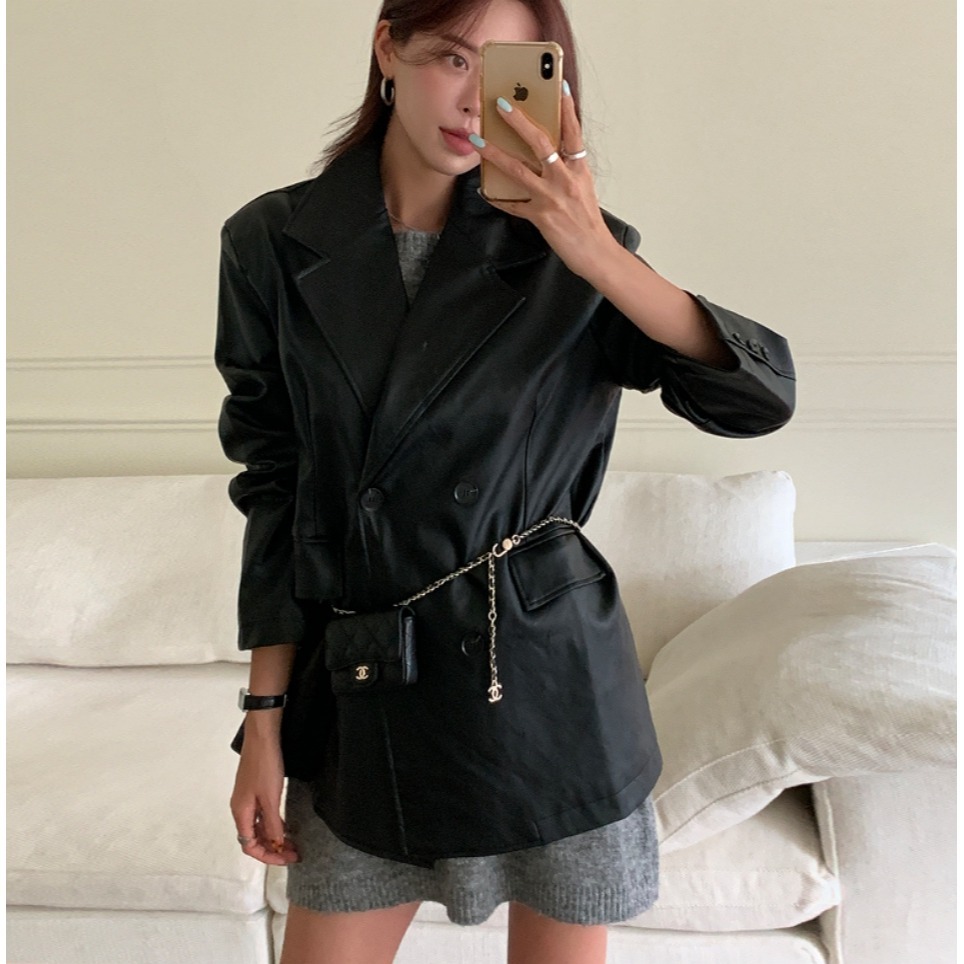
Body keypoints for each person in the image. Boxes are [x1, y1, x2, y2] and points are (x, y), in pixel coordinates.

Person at [216, 1, 796, 961]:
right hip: (367, 687)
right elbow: (275, 486)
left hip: (545, 688)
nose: (473, 100)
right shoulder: (272, 242)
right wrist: (264, 718)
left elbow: (754, 400)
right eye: (451, 58)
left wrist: (594, 250)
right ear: (388, 46)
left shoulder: (575, 250)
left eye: (505, 72)